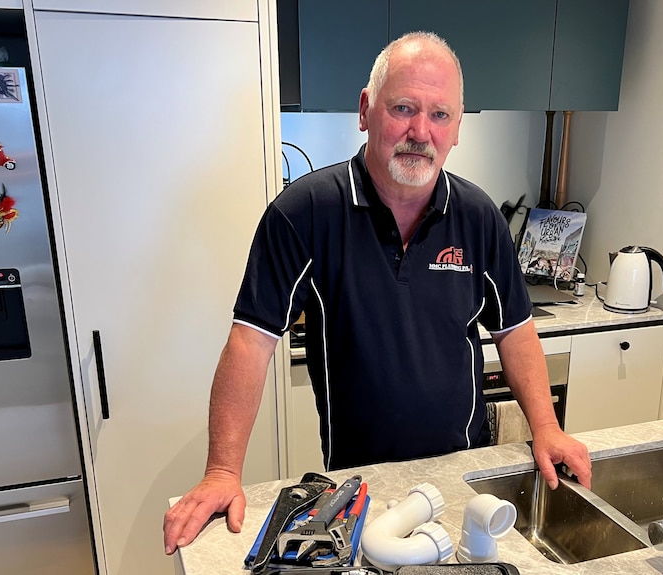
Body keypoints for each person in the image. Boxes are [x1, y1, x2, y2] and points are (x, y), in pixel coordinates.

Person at [163, 31, 591, 555]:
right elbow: (251, 342)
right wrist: (222, 471)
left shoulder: (479, 219)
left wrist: (545, 427)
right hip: (358, 486)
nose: (420, 131)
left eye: (439, 115)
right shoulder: (302, 214)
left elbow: (515, 331)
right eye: (404, 108)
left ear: (457, 128)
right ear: (365, 111)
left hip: (462, 474)